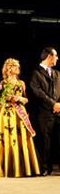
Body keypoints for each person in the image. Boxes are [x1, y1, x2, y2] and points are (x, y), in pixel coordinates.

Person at [0, 58, 40, 177]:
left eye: (16, 66)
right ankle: (8, 168)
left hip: (20, 114)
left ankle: (24, 168)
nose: (15, 68)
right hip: (7, 114)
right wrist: (6, 98)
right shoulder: (2, 84)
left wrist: (18, 98)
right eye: (12, 66)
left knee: (22, 139)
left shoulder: (22, 83)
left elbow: (26, 99)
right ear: (8, 69)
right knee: (9, 139)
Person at [29, 47, 60, 176]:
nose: (57, 58)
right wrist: (53, 104)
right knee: (45, 140)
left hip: (58, 111)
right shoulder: (35, 73)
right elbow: (38, 93)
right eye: (56, 56)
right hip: (44, 112)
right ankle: (45, 167)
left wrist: (59, 105)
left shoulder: (57, 73)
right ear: (49, 57)